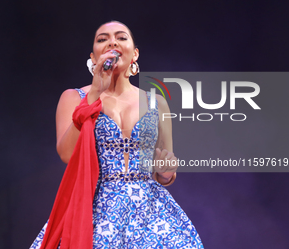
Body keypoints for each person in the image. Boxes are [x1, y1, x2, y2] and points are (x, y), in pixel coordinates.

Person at [30, 21, 203, 249]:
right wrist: (94, 93)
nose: (112, 42)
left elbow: (164, 170)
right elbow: (66, 153)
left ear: (135, 54)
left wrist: (165, 173)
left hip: (150, 210)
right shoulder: (74, 98)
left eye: (121, 37)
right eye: (103, 39)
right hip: (97, 208)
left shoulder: (156, 103)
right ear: (94, 57)